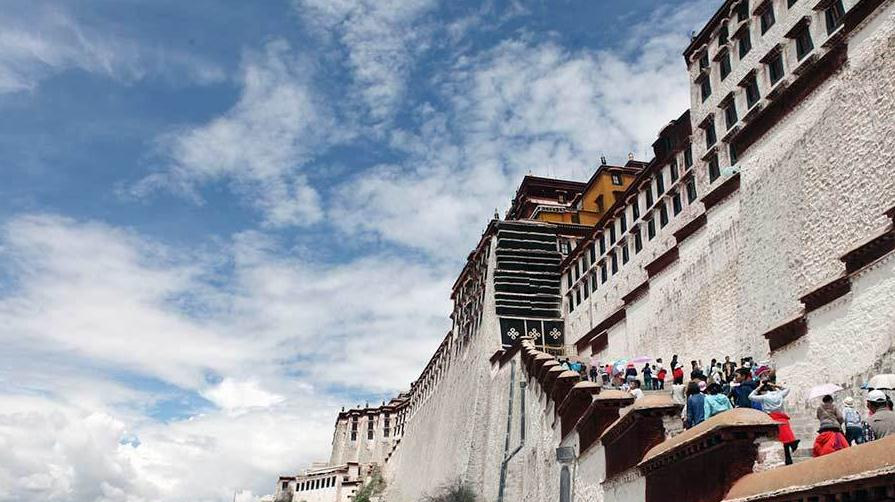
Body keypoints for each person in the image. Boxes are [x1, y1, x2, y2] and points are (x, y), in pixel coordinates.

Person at [750, 381, 799, 465]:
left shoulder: (764, 397)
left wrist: (759, 387)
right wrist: (775, 385)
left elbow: (750, 396)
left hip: (772, 419)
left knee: (776, 439)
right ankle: (788, 458)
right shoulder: (779, 395)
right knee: (785, 440)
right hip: (782, 418)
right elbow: (787, 389)